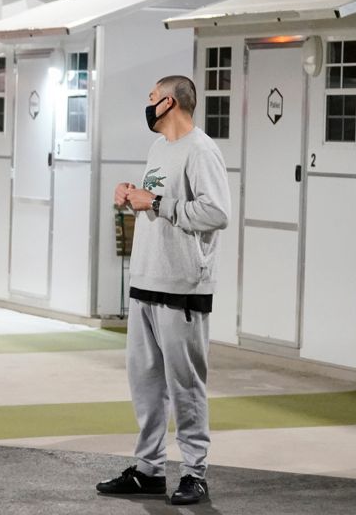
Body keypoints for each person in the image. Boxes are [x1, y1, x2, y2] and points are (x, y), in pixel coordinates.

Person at [97, 76, 230, 506]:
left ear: (169, 102)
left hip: (182, 285)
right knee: (146, 384)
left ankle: (194, 473)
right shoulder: (158, 149)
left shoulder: (201, 150)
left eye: (152, 97)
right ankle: (148, 470)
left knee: (186, 385)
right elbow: (156, 202)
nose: (148, 103)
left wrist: (154, 203)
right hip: (145, 281)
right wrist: (131, 195)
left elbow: (216, 212)